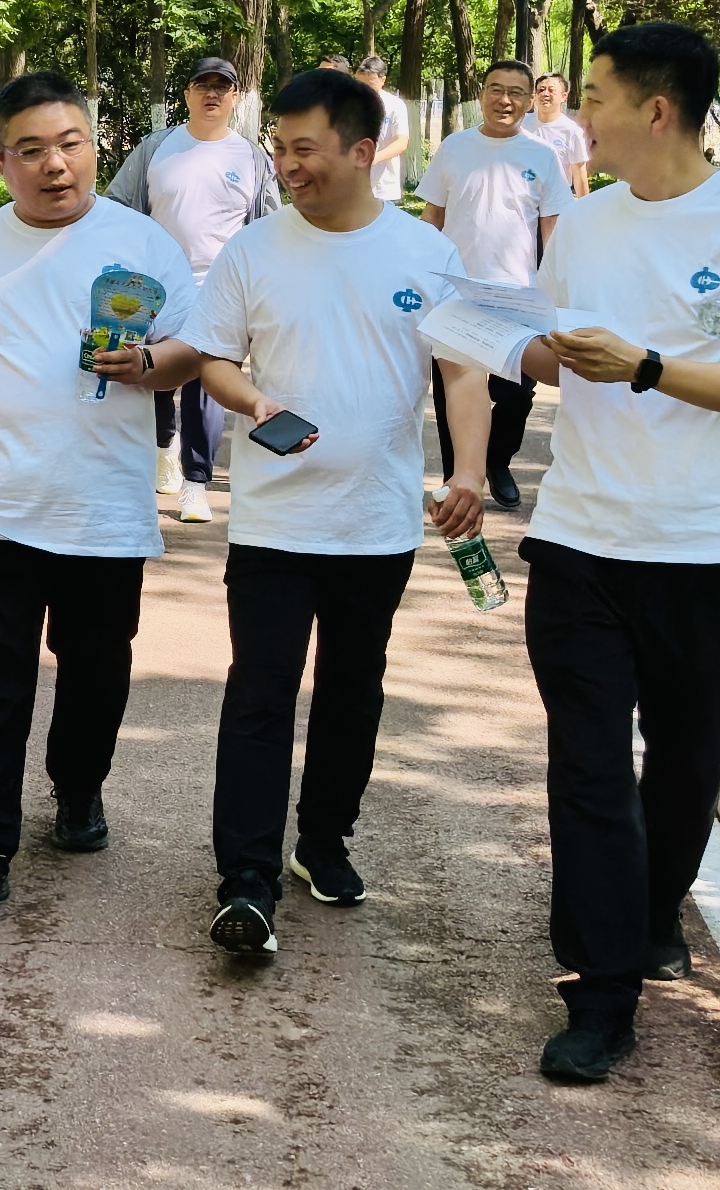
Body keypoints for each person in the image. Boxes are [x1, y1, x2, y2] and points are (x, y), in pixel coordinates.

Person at [515, 21, 720, 1085]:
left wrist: (648, 365)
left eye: (594, 97)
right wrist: (508, 343)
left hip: (711, 550)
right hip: (581, 538)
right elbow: (556, 358)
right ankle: (602, 995)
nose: (578, 115)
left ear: (657, 110)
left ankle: (652, 912)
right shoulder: (583, 225)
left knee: (686, 763)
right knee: (589, 768)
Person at [149, 67, 484, 960]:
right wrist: (253, 401)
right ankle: (245, 879)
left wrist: (469, 471)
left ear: (363, 151)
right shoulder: (253, 251)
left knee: (352, 690)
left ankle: (323, 841)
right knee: (260, 691)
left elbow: (462, 373)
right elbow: (214, 359)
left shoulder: (426, 253)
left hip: (376, 520)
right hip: (274, 521)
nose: (288, 165)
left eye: (306, 148)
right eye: (280, 148)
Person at [0, 73, 202, 923]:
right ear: (1, 158)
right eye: (32, 150)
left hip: (103, 507)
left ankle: (78, 783)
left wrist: (147, 364)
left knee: (97, 670)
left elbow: (193, 350)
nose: (55, 164)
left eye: (70, 144)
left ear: (94, 147)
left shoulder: (144, 244)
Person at [108, 55, 279, 520]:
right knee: (156, 372)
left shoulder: (252, 158)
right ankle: (164, 448)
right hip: (156, 285)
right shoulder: (156, 147)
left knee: (208, 379)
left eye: (222, 87)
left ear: (235, 98)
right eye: (203, 86)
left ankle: (196, 483)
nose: (212, 94)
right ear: (186, 94)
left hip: (220, 288)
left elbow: (269, 227)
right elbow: (118, 205)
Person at [415, 58, 573, 509]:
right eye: (496, 90)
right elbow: (432, 217)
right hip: (455, 292)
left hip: (517, 294)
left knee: (517, 393)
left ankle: (496, 460)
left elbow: (553, 230)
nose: (505, 100)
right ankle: (456, 479)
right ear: (482, 94)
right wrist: (418, 274)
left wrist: (555, 294)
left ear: (529, 101)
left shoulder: (542, 156)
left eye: (516, 93)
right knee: (454, 391)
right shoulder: (454, 148)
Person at [530, 72, 594, 196]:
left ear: (564, 97)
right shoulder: (521, 125)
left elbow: (579, 175)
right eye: (541, 90)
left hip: (557, 198)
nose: (545, 94)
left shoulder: (572, 131)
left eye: (551, 90)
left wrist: (585, 205)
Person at [359, 53, 411, 203]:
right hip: (353, 187)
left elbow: (401, 142)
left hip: (383, 187)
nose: (365, 89)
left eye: (370, 84)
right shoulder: (349, 104)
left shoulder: (395, 105)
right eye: (360, 84)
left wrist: (373, 159)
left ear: (383, 80)